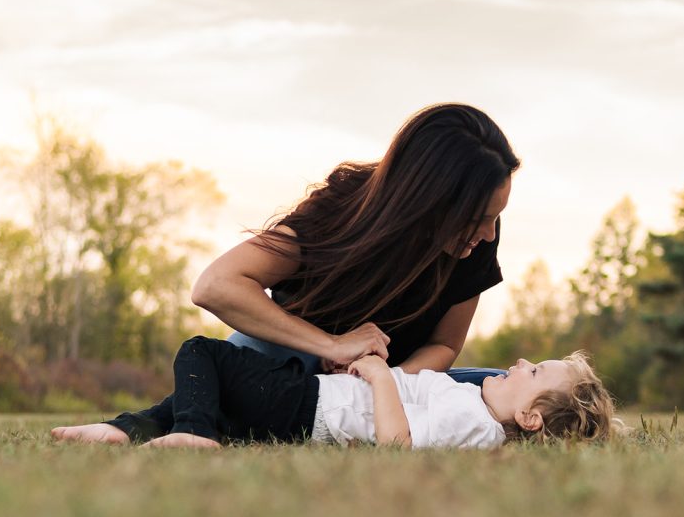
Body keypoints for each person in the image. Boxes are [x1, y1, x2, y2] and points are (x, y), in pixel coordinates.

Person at [53, 103, 520, 445]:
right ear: (430, 197)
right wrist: (333, 347)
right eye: (477, 216)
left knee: (511, 394)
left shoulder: (478, 240)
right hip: (287, 355)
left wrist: (383, 382)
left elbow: (445, 345)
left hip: (396, 378)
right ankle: (128, 428)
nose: (488, 232)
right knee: (224, 378)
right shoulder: (341, 208)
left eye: (496, 216)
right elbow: (215, 285)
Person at [54, 336, 615, 448]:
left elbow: (399, 442)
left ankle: (194, 436)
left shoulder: (476, 426)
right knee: (208, 392)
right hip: (309, 403)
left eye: (535, 372)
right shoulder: (474, 408)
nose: (520, 363)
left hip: (307, 408)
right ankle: (123, 428)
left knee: (201, 353)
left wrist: (376, 376)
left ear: (531, 417)